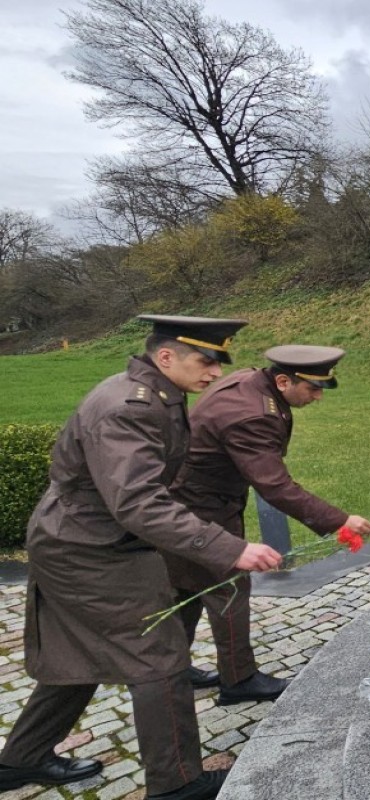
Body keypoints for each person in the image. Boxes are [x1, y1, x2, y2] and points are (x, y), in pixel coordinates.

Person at [0, 315, 284, 800]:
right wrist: (229, 547)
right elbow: (137, 502)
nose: (216, 373)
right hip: (91, 551)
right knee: (160, 658)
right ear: (166, 356)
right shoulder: (129, 409)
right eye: (206, 361)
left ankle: (20, 760)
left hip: (84, 540)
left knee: (79, 655)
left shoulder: (153, 395)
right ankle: (177, 785)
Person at [166, 344, 370, 706]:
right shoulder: (253, 415)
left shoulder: (252, 382)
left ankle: (173, 669)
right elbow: (275, 486)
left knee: (187, 587)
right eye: (313, 388)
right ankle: (238, 680)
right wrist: (340, 521)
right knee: (228, 589)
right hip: (202, 509)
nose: (318, 397)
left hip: (188, 502)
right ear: (282, 381)